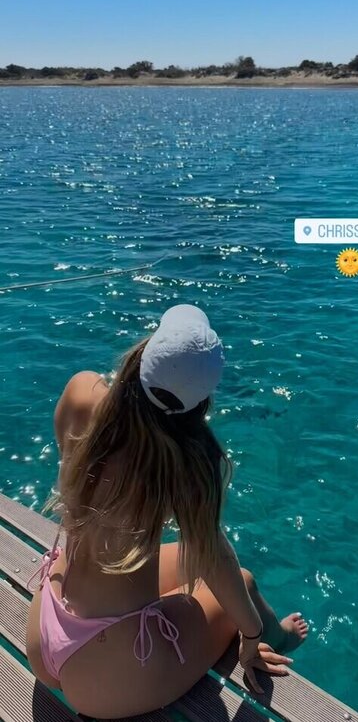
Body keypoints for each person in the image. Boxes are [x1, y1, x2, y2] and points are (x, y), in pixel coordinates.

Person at [26, 304, 308, 719]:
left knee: (183, 564)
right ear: (202, 400)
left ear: (144, 354)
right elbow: (214, 559)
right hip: (105, 675)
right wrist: (249, 638)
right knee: (242, 583)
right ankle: (274, 638)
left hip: (45, 625)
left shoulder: (82, 390)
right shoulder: (189, 461)